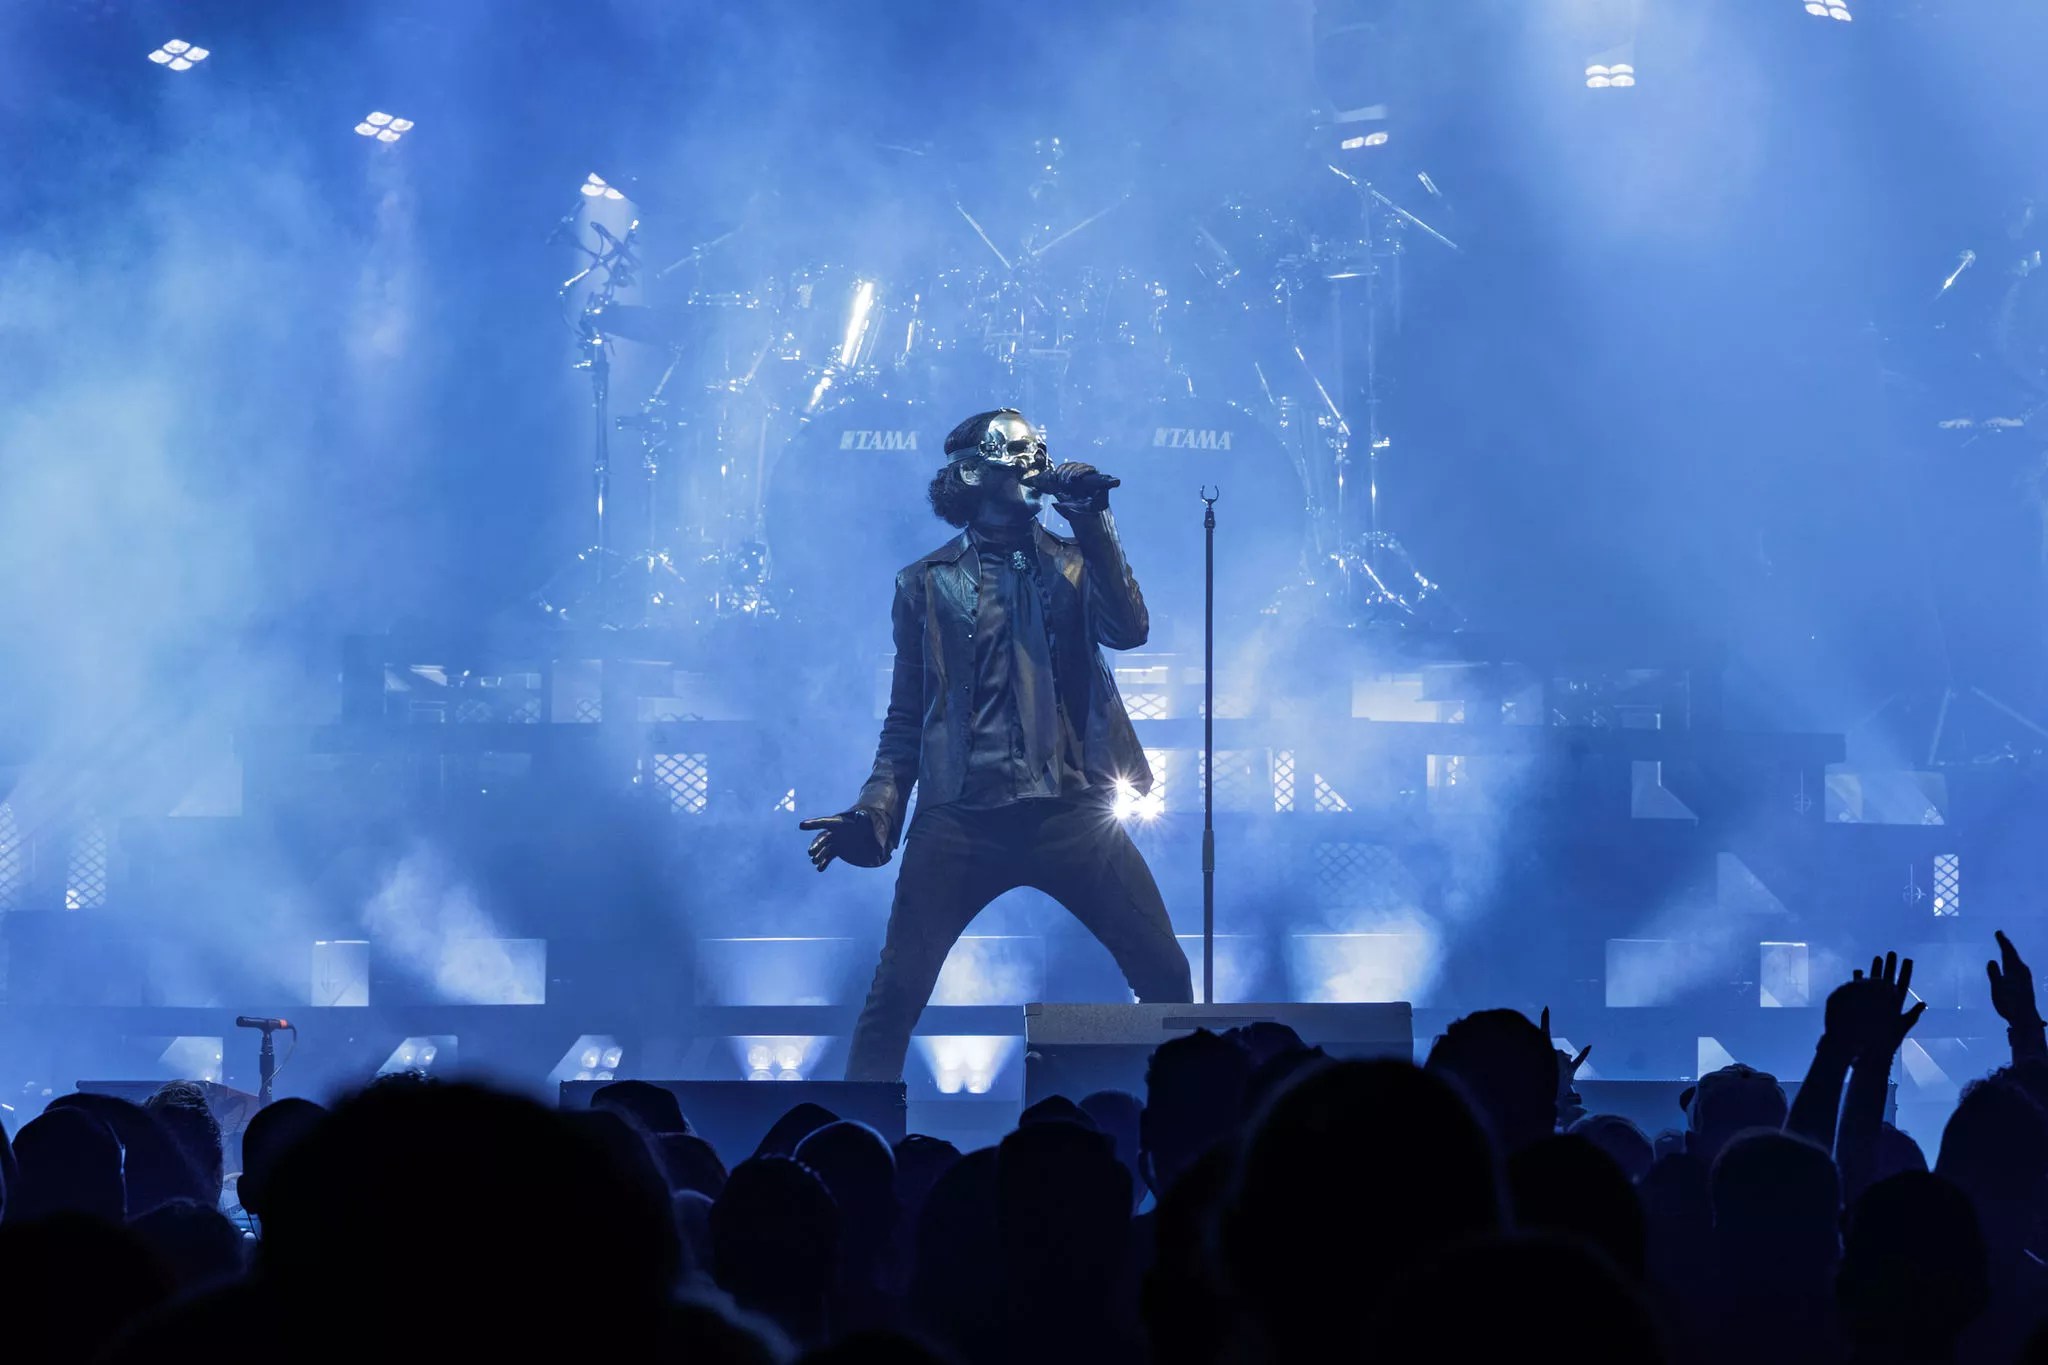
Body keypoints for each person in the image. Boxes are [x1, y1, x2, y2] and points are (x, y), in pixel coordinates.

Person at [800, 408, 1193, 1081]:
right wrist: (876, 812)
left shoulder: (1073, 563)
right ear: (972, 470)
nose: (1033, 454)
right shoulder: (924, 583)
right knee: (892, 999)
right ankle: (859, 1154)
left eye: (1038, 443)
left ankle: (1182, 1132)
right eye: (1014, 446)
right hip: (960, 820)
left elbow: (1129, 629)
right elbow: (905, 717)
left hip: (1069, 812)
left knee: (1166, 973)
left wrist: (1092, 521)